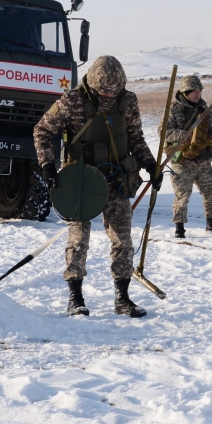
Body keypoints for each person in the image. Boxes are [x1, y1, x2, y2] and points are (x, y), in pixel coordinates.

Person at [33, 56, 162, 317]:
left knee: (123, 241)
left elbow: (136, 138)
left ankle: (123, 298)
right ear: (92, 85)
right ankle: (76, 297)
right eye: (104, 91)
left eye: (114, 91)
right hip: (80, 181)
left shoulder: (128, 101)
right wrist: (47, 165)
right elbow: (42, 130)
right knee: (78, 240)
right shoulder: (72, 101)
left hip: (116, 180)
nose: (109, 96)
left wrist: (150, 164)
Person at [165, 74, 212, 238]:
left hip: (204, 161)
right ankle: (179, 230)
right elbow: (164, 132)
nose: (197, 94)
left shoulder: (205, 109)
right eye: (194, 91)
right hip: (183, 162)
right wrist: (185, 135)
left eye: (199, 91)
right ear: (185, 92)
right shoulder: (174, 109)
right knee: (182, 197)